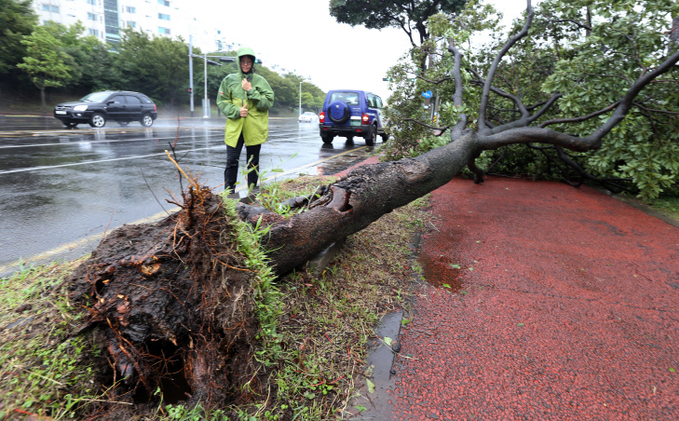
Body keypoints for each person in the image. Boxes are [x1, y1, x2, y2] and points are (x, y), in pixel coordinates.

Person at [216, 47, 274, 196]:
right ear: (239, 62)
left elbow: (268, 103)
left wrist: (251, 90)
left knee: (253, 163)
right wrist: (237, 111)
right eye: (243, 61)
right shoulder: (229, 80)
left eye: (249, 61)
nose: (246, 64)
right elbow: (222, 101)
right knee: (231, 161)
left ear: (253, 63)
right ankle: (230, 195)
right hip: (235, 129)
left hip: (254, 128)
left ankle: (252, 195)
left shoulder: (260, 81)